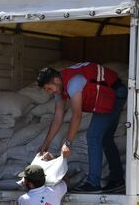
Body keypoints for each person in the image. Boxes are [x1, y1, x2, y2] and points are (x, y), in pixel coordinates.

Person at [36, 62, 127, 193]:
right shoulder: (60, 86)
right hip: (105, 94)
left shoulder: (73, 83)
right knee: (105, 138)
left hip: (114, 92)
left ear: (56, 80)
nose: (50, 92)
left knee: (93, 136)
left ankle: (93, 183)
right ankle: (117, 179)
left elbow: (77, 115)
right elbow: (57, 118)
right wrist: (46, 145)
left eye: (49, 89)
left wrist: (68, 143)